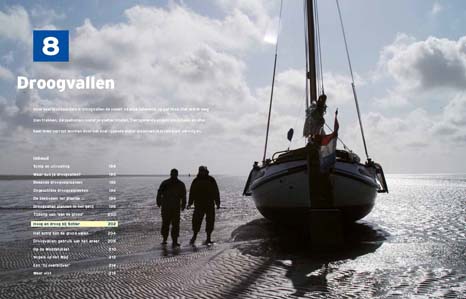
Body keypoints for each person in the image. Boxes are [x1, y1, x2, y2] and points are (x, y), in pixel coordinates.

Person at [188, 166, 220, 245]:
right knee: (196, 221)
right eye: (201, 171)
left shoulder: (211, 180)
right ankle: (194, 236)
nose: (202, 172)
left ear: (206, 171)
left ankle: (208, 238)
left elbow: (216, 191)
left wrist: (218, 202)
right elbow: (192, 192)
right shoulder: (196, 180)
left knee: (210, 222)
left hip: (209, 204)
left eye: (203, 171)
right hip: (199, 205)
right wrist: (189, 203)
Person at [156, 168, 186, 248]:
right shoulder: (165, 183)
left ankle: (175, 241)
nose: (173, 175)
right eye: (172, 174)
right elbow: (159, 193)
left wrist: (183, 204)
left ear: (177, 174)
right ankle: (164, 239)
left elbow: (183, 196)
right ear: (170, 174)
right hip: (166, 207)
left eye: (175, 174)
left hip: (176, 208)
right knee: (165, 224)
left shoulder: (180, 184)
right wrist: (158, 202)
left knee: (176, 225)